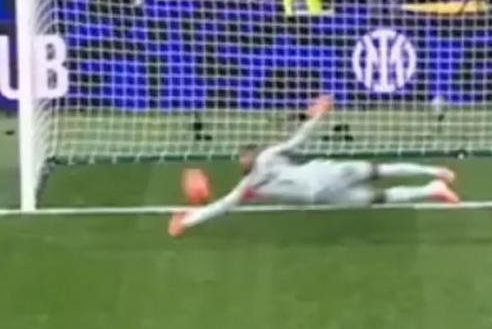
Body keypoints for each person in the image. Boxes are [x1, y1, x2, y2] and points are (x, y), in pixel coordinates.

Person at [168, 96, 460, 236]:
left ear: (254, 155)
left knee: (378, 170)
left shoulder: (268, 157)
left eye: (245, 155)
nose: (242, 160)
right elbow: (221, 206)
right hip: (326, 195)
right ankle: (432, 189)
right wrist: (188, 220)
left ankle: (433, 172)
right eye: (241, 159)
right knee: (379, 198)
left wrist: (317, 115)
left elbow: (297, 139)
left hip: (327, 172)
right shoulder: (249, 187)